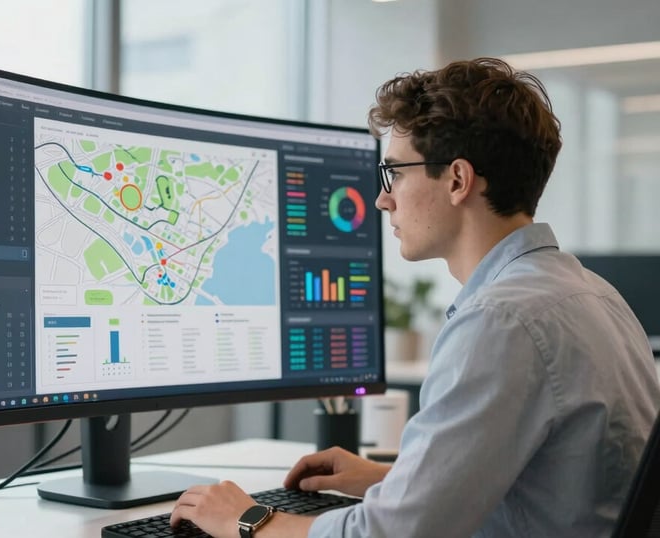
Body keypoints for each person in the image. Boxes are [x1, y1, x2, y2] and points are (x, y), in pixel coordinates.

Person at [169, 57, 660, 537]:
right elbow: (547, 487)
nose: (383, 199)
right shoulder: (590, 293)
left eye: (395, 174)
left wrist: (246, 518)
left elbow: (389, 534)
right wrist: (389, 479)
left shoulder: (501, 319)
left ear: (458, 180)